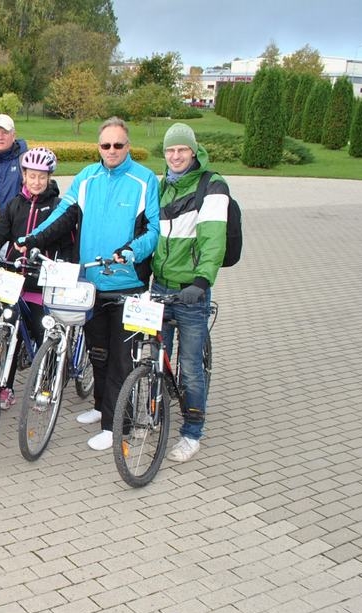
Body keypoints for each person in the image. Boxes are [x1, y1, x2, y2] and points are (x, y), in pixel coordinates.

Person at [26, 117, 160, 451]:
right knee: (98, 353)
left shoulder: (143, 180)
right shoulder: (87, 177)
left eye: (118, 145)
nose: (111, 150)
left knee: (121, 358)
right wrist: (32, 239)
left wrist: (131, 251)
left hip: (127, 284)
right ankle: (102, 407)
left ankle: (118, 427)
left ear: (127, 146)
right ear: (98, 147)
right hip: (90, 282)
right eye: (105, 145)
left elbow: (153, 229)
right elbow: (63, 214)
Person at [154, 123, 228, 463]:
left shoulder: (211, 185)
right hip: (160, 285)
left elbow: (213, 238)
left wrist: (202, 281)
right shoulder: (161, 186)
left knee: (189, 365)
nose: (176, 155)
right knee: (155, 356)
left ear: (193, 151)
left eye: (182, 149)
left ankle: (192, 432)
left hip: (191, 291)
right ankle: (153, 413)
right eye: (170, 150)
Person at [0, 147, 69, 410]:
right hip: (14, 281)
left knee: (43, 336)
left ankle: (47, 385)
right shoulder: (15, 205)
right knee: (9, 336)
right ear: (24, 176)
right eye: (31, 176)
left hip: (40, 283)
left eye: (42, 177)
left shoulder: (57, 207)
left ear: (49, 177)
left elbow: (64, 241)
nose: (36, 182)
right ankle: (5, 387)